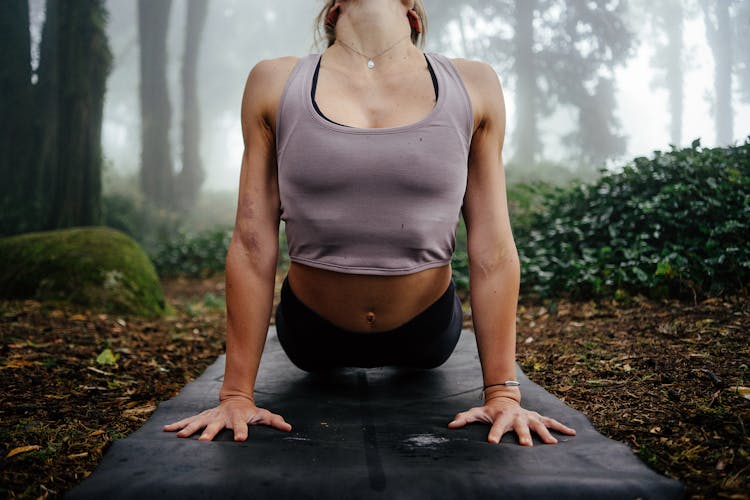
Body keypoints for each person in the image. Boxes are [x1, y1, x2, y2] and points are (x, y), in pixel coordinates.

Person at [163, 0, 576, 447]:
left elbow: (492, 245)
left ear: (412, 9)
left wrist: (502, 392)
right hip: (310, 332)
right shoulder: (274, 82)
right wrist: (236, 395)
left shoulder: (474, 84)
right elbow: (251, 242)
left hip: (428, 331)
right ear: (333, 7)